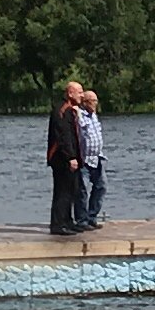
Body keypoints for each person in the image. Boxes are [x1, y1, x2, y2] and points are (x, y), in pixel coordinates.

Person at [45, 84, 85, 233]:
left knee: (71, 190)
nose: (82, 95)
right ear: (70, 93)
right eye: (79, 92)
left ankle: (67, 221)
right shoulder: (62, 110)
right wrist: (71, 157)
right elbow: (63, 136)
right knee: (62, 191)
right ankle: (58, 224)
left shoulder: (70, 110)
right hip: (61, 159)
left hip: (70, 158)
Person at [67, 82, 107, 231]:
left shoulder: (94, 116)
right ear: (85, 102)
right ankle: (82, 220)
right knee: (82, 190)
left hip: (97, 158)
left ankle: (92, 217)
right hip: (84, 159)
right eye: (92, 101)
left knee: (101, 187)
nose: (95, 104)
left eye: (96, 101)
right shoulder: (79, 114)